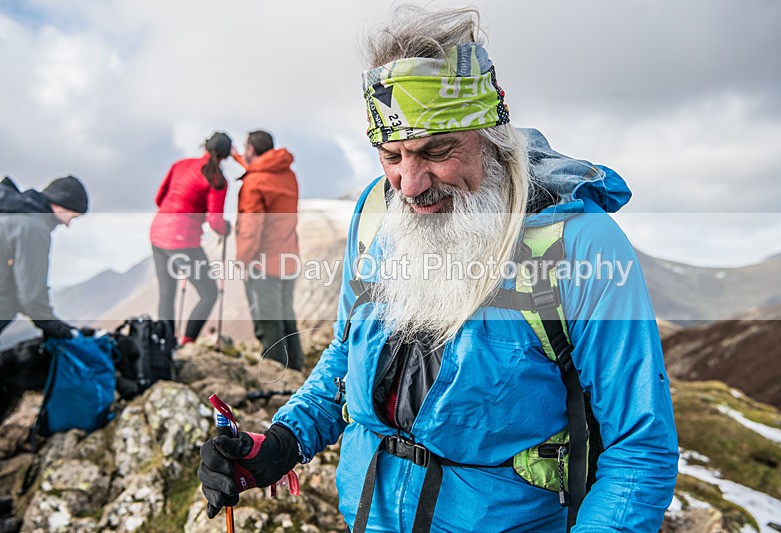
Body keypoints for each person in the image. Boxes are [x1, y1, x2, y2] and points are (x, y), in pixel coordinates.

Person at [197, 6, 678, 532]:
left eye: (436, 152)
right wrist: (283, 441)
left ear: (491, 137)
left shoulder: (578, 245)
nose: (410, 184)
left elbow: (640, 451)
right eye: (391, 156)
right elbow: (346, 355)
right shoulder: (376, 215)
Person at [230, 130, 304, 370]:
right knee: (286, 317)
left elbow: (251, 228)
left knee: (268, 320)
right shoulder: (286, 174)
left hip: (263, 264)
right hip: (288, 259)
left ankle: (276, 374)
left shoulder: (253, 183)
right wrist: (237, 157)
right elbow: (262, 171)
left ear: (251, 150)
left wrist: (242, 260)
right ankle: (296, 369)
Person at [150, 132, 232, 345]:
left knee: (167, 293)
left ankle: (165, 345)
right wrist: (226, 228)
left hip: (158, 233)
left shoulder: (180, 165)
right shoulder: (217, 179)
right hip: (183, 240)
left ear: (205, 146)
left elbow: (159, 199)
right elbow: (215, 221)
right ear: (225, 156)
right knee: (209, 293)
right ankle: (187, 342)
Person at [0, 175, 88, 339]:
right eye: (73, 216)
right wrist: (61, 331)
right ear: (60, 205)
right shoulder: (33, 228)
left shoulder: (11, 216)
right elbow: (31, 297)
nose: (68, 224)